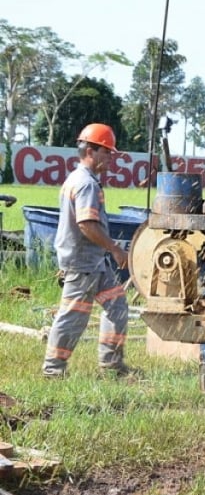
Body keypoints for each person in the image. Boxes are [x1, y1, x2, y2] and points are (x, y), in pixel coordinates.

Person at [41, 123, 135, 378]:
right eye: (107, 152)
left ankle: (112, 366)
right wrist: (115, 249)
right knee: (73, 316)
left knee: (117, 306)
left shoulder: (80, 179)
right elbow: (86, 224)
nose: (111, 158)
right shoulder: (86, 185)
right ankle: (53, 370)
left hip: (94, 261)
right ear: (91, 151)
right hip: (82, 263)